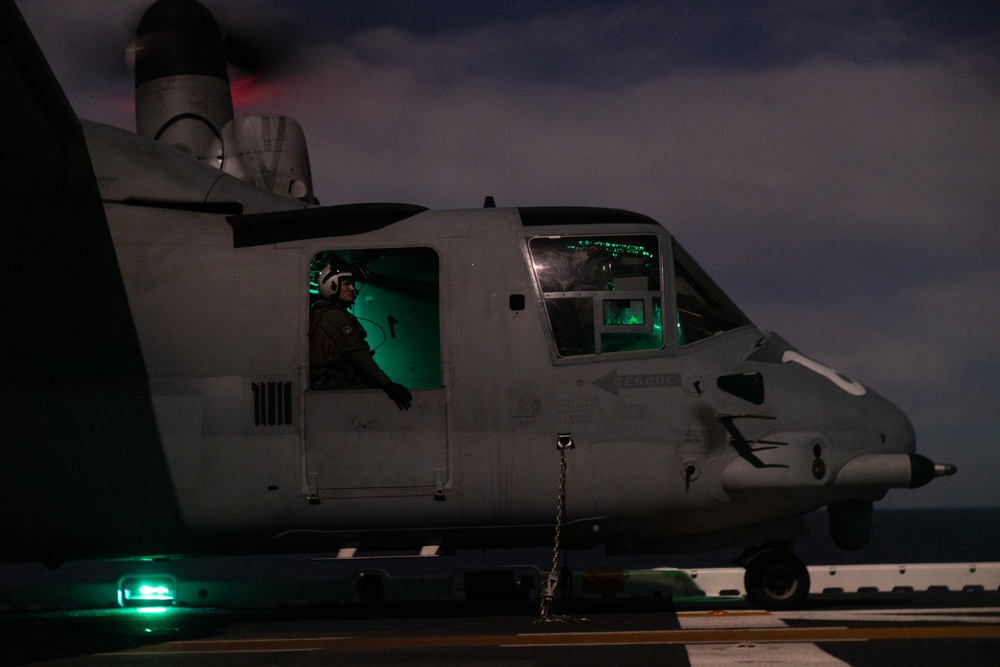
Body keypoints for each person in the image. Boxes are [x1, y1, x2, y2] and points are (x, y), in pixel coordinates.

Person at [309, 266, 413, 410]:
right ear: (331, 286)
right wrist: (387, 384)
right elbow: (356, 352)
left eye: (352, 284)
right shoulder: (334, 316)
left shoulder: (323, 312)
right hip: (341, 388)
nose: (352, 288)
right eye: (347, 284)